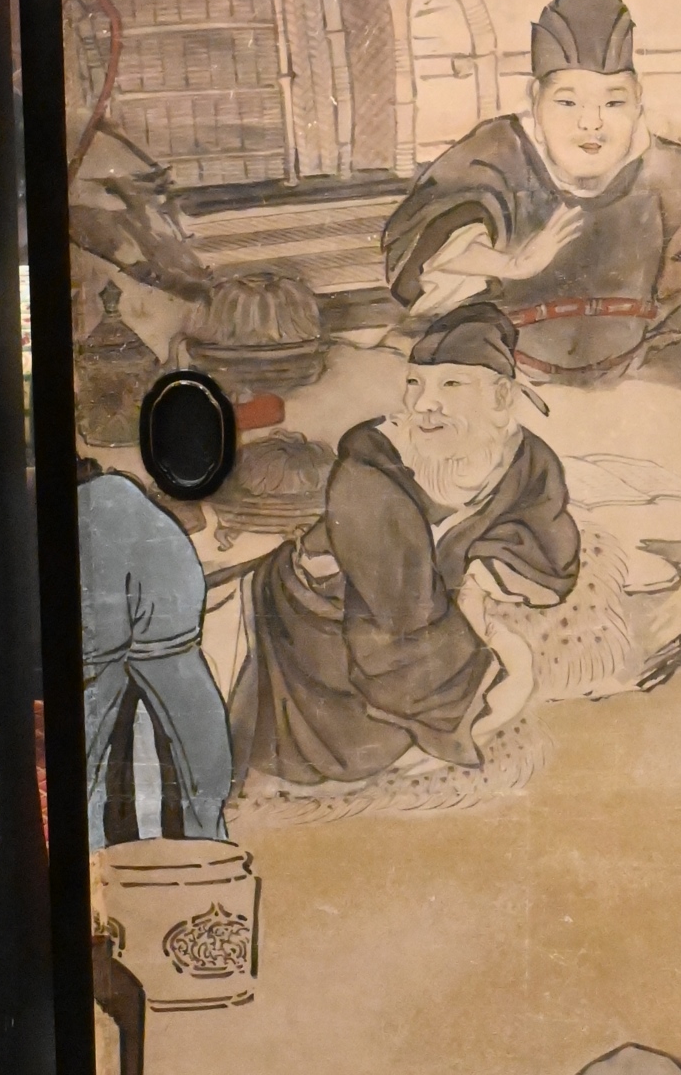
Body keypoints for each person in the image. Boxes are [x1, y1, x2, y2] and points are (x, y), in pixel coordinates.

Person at [232, 303, 579, 786]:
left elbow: (548, 547)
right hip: (323, 617)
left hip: (422, 621)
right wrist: (496, 661)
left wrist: (481, 583)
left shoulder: (527, 458)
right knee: (368, 742)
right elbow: (399, 609)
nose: (425, 405)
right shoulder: (372, 461)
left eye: (451, 385)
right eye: (415, 384)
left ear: (501, 397)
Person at [382, 0, 681, 398]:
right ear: (535, 100)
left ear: (638, 101)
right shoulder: (496, 153)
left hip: (633, 367)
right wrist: (513, 265)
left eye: (613, 103)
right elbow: (431, 247)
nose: (591, 123)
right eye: (567, 103)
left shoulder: (678, 173)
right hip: (507, 367)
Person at [78, 462, 235, 845]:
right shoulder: (122, 500)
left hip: (149, 653)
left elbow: (101, 640)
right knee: (201, 779)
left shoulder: (97, 509)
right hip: (173, 653)